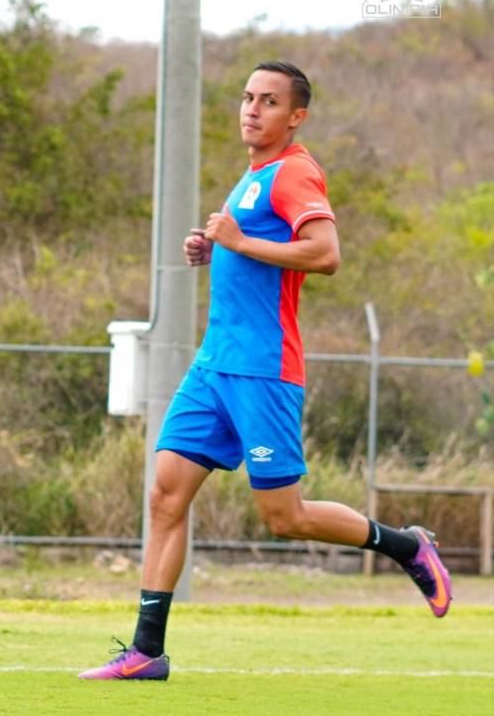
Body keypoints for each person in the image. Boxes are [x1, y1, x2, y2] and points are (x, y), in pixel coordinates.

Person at [80, 61, 452, 682]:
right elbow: (249, 250)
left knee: (284, 516)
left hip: (263, 370)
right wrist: (212, 248)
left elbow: (325, 254)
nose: (252, 109)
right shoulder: (251, 176)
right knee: (166, 493)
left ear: (296, 116)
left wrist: (239, 242)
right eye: (248, 98)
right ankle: (147, 651)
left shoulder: (295, 171)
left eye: (269, 101)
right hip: (214, 366)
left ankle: (409, 547)